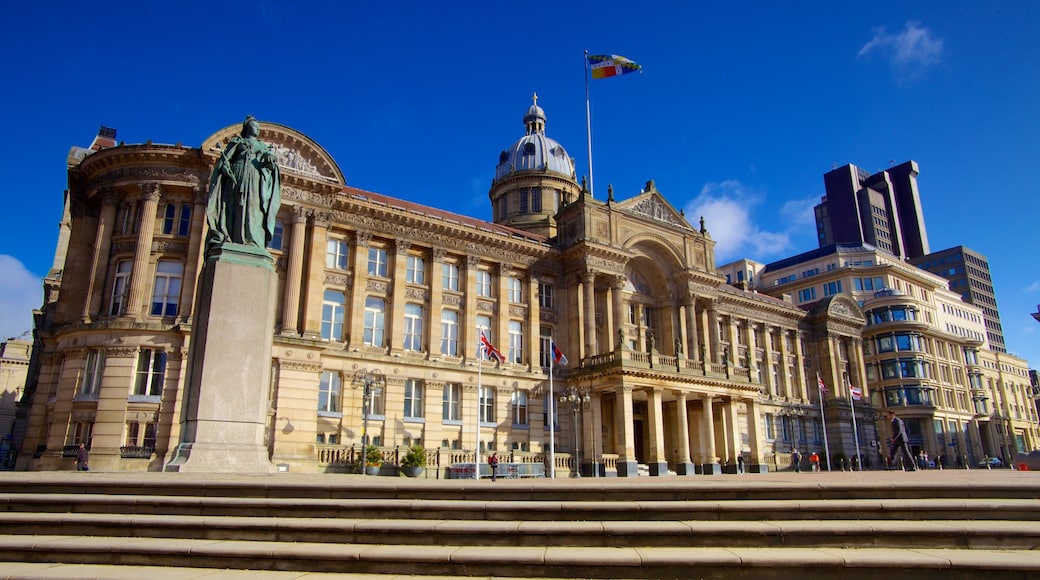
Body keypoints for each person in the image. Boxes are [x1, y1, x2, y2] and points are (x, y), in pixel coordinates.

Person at [206, 115, 282, 254]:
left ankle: (252, 239)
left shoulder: (262, 146)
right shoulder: (237, 142)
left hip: (255, 178)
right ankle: (233, 236)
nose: (257, 129)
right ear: (247, 127)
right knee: (233, 205)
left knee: (254, 207)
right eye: (255, 126)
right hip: (237, 175)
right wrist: (224, 167)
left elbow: (269, 164)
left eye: (259, 128)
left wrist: (270, 160)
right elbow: (225, 161)